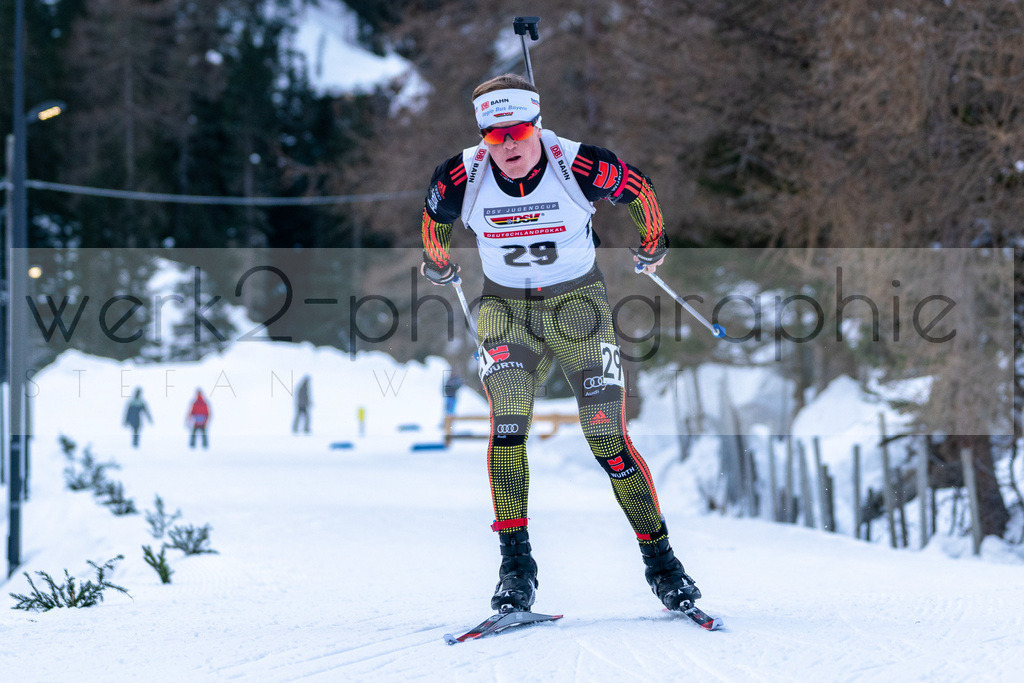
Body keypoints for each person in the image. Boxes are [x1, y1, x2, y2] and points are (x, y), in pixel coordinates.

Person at [419, 73, 701, 614]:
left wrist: (652, 243)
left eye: (519, 132)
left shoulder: (578, 163)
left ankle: (665, 567)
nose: (508, 146)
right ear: (483, 137)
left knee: (607, 439)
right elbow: (433, 219)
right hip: (506, 309)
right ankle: (515, 571)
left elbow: (639, 190)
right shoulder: (460, 175)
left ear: (537, 125)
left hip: (578, 307)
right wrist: (438, 262)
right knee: (508, 427)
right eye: (495, 136)